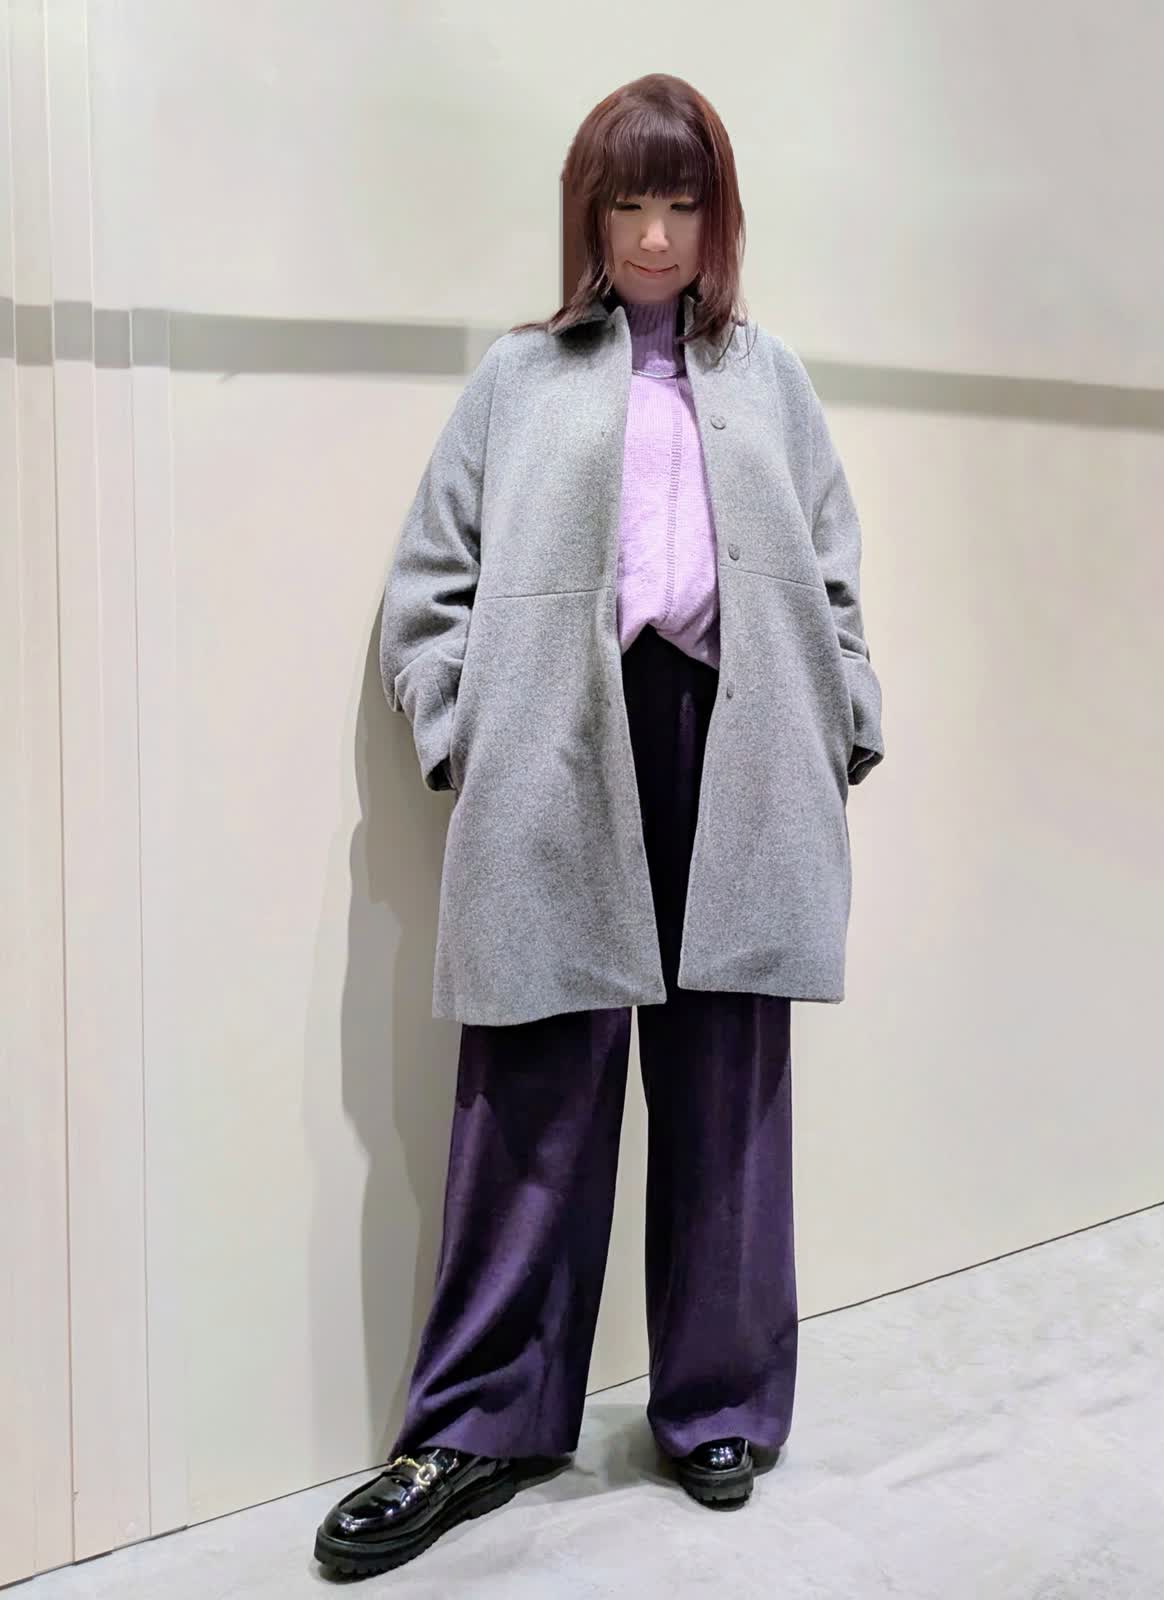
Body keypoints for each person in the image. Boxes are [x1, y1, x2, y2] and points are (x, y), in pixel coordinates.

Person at [315, 71, 884, 1578]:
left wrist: (843, 720)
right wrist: (465, 733)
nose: (651, 235)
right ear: (588, 212)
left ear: (719, 217)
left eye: (681, 203)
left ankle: (718, 1402)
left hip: (736, 745)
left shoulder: (771, 378)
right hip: (562, 747)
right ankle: (477, 1427)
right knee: (531, 1093)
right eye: (627, 202)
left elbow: (833, 571)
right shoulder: (522, 378)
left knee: (728, 1090)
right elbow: (428, 584)